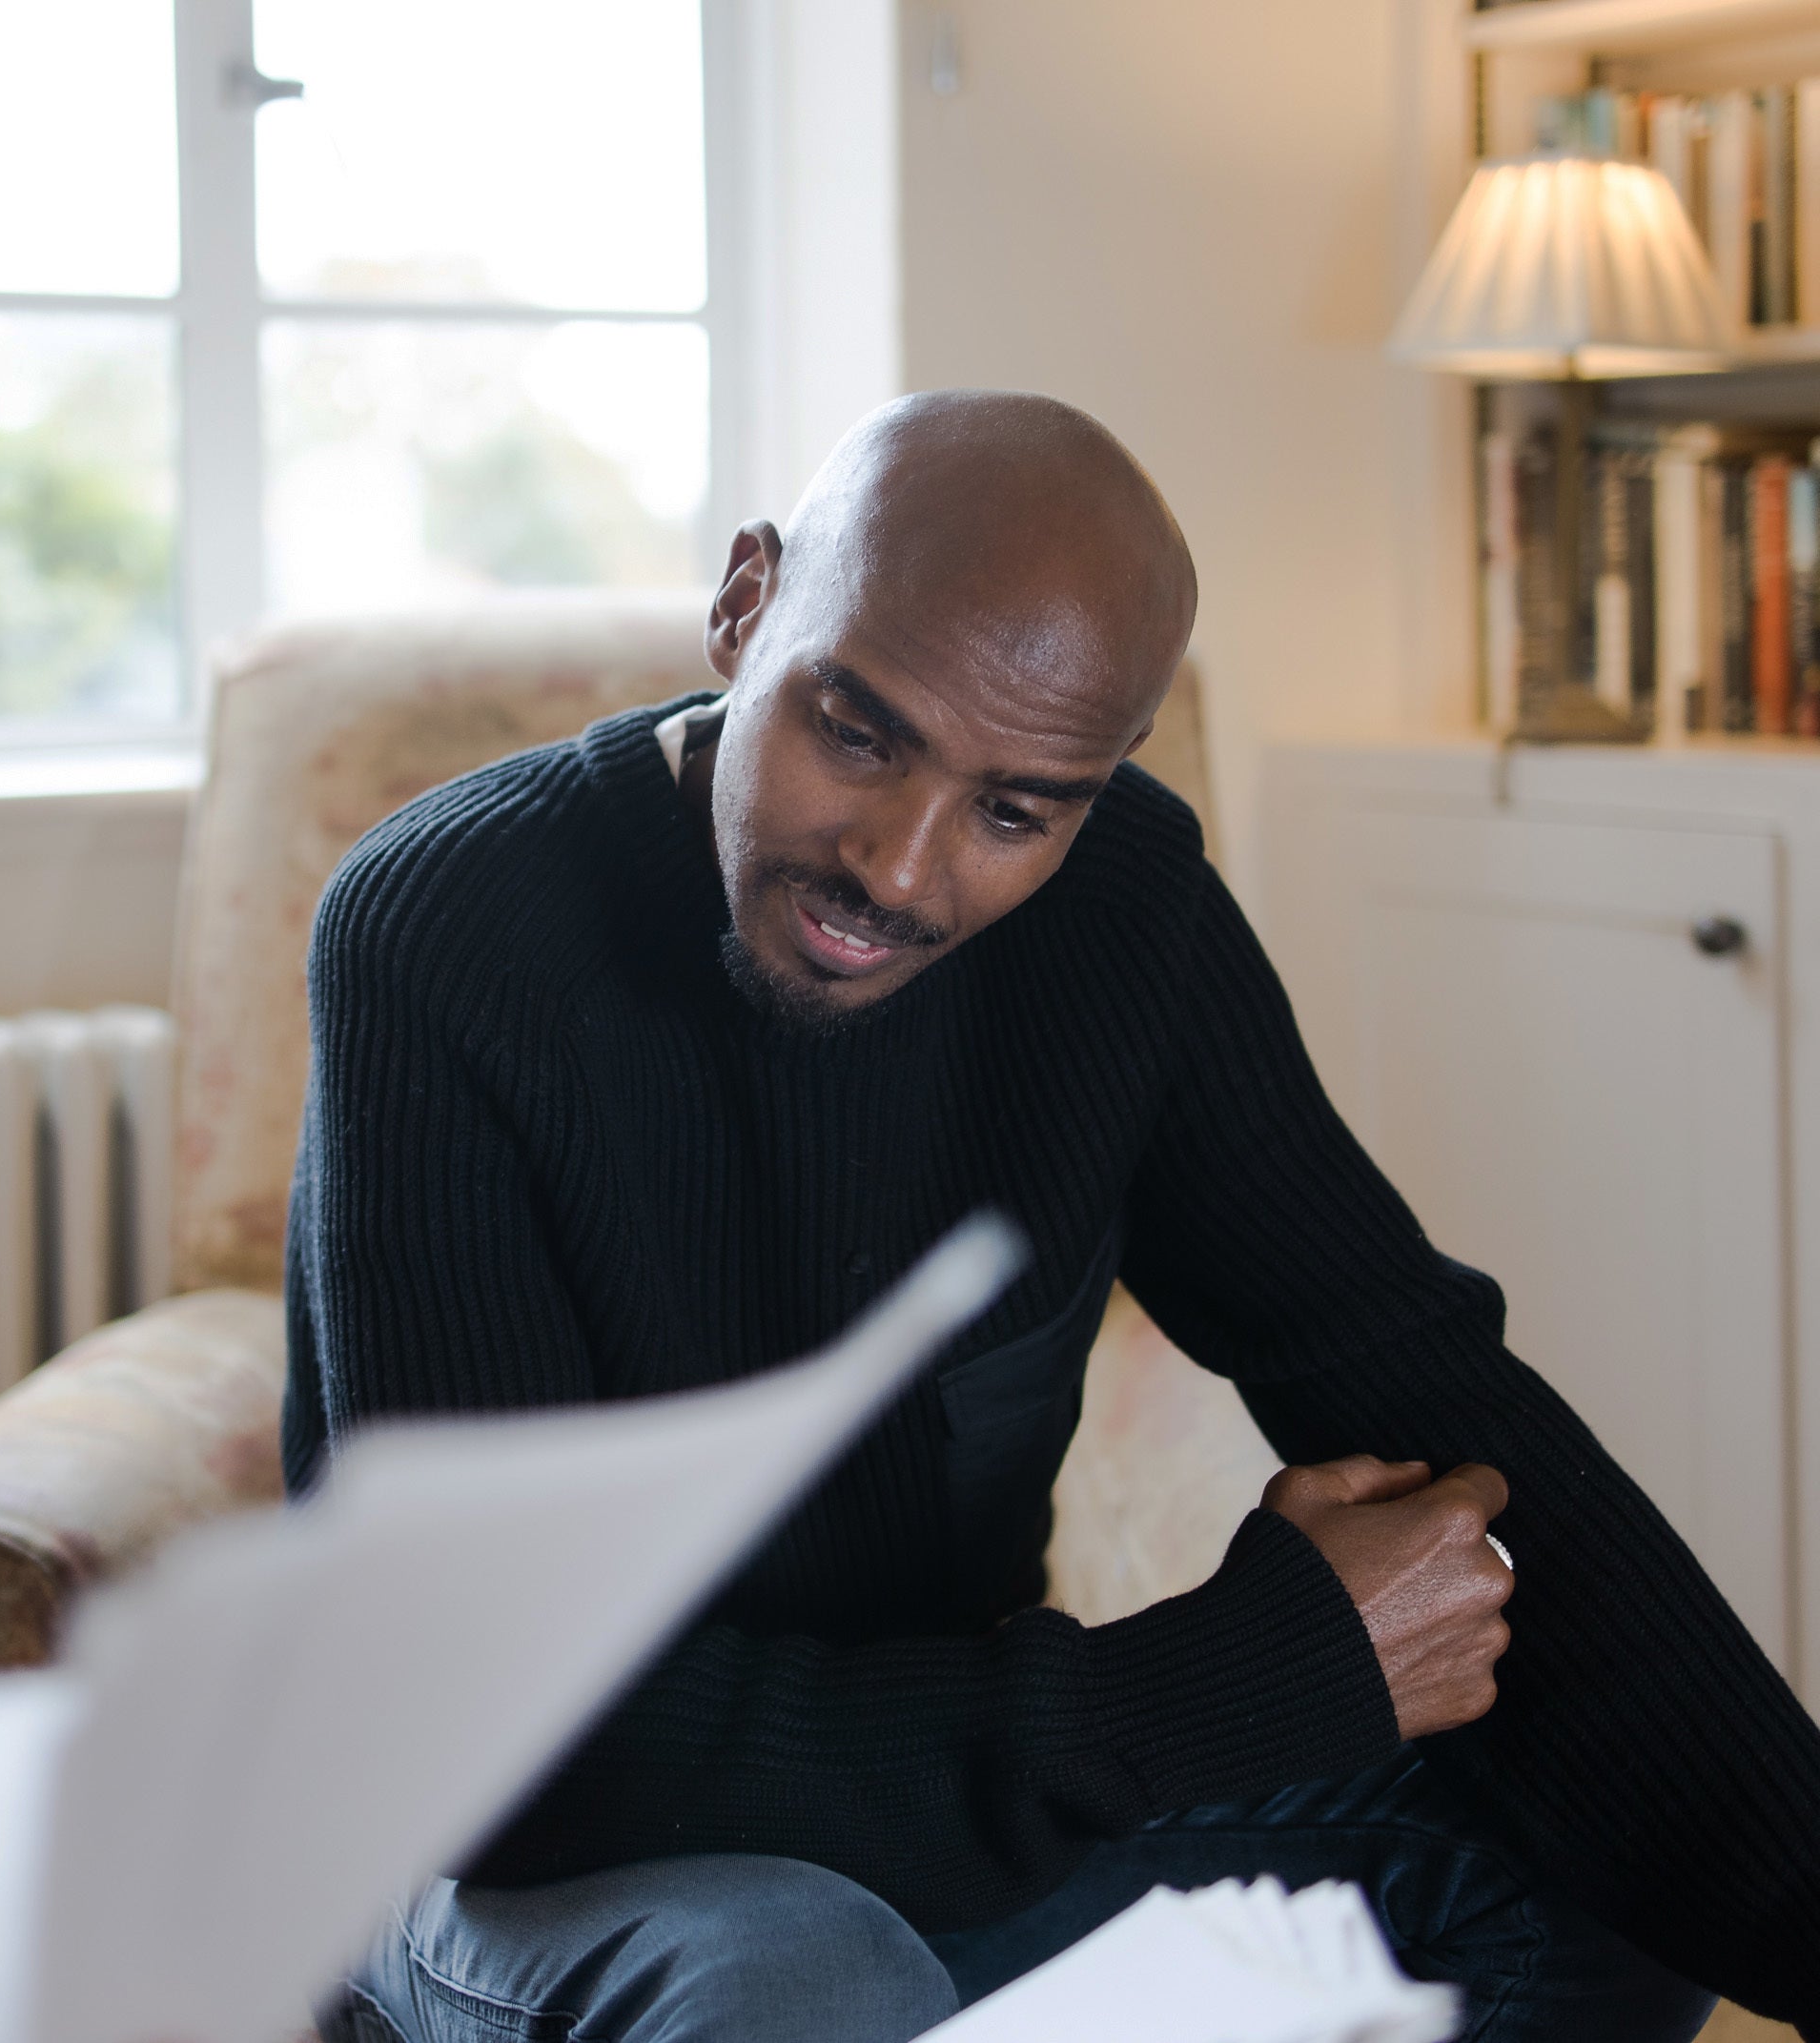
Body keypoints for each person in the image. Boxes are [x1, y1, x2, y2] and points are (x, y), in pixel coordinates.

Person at [288, 391, 1820, 2042]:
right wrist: (1221, 1682)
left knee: (1594, 1858)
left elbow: (1438, 1404)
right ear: (744, 605)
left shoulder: (1123, 914)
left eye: (1016, 809)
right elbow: (508, 1751)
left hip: (921, 1796)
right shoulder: (445, 931)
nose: (899, 868)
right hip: (497, 1842)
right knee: (805, 1979)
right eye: (858, 733)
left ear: (1099, 786)